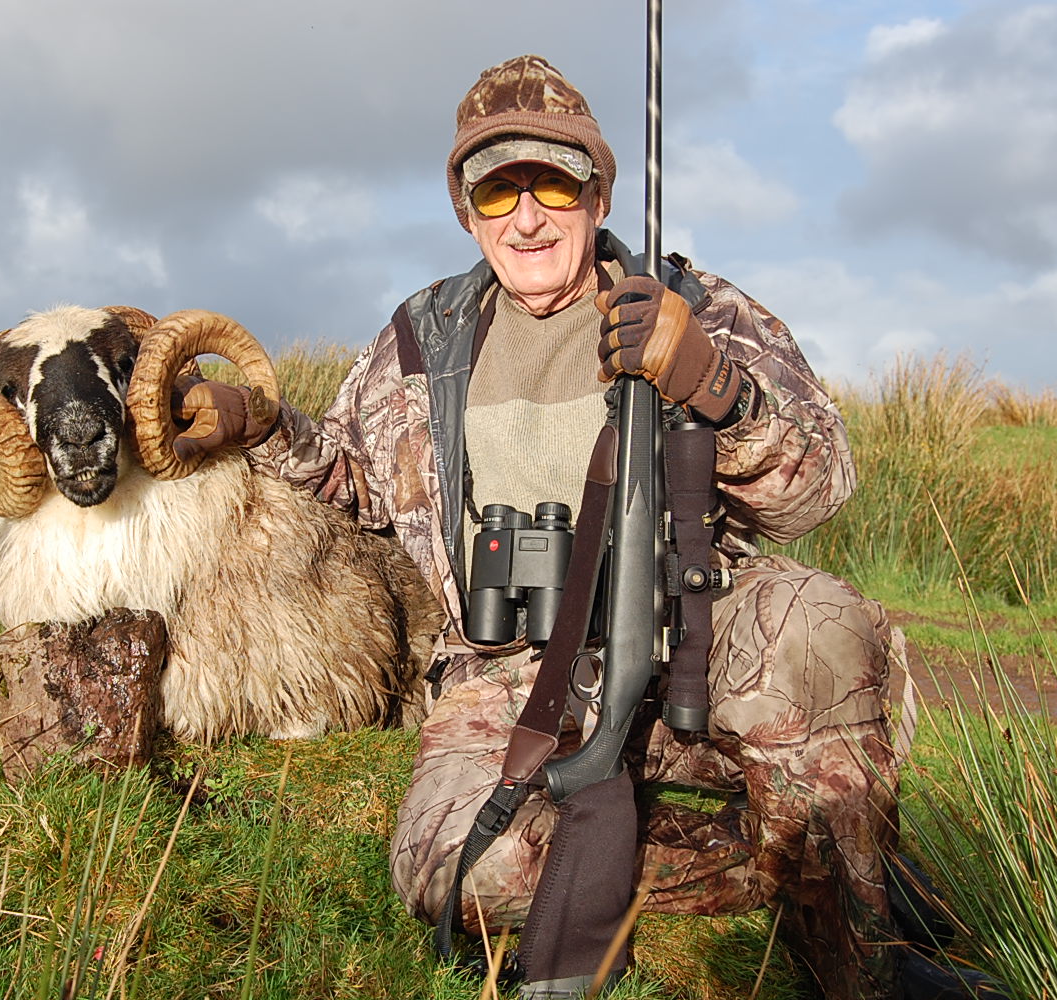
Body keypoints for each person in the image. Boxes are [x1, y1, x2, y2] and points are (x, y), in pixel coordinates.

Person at [175, 54, 963, 1000]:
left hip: (690, 639)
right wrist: (258, 427)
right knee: (454, 875)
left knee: (824, 625)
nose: (528, 215)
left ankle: (855, 944)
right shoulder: (421, 337)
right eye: (496, 190)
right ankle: (793, 858)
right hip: (505, 673)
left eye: (552, 180)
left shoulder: (697, 307)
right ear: (465, 211)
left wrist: (714, 385)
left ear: (597, 192)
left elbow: (819, 486)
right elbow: (350, 476)